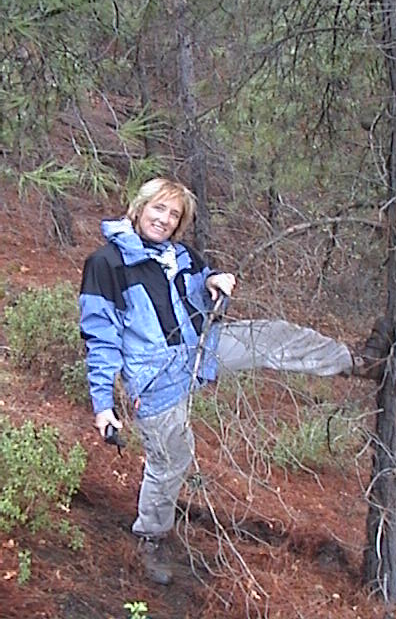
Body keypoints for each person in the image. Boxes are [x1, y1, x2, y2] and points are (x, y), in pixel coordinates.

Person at [79, 177, 235, 585]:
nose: (164, 219)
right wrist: (103, 405)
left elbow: (203, 283)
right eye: (158, 209)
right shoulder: (107, 264)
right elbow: (100, 339)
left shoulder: (181, 255)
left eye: (174, 214)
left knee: (271, 340)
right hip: (155, 384)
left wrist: (217, 279)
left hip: (198, 360)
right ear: (139, 207)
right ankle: (150, 537)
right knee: (171, 460)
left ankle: (350, 360)